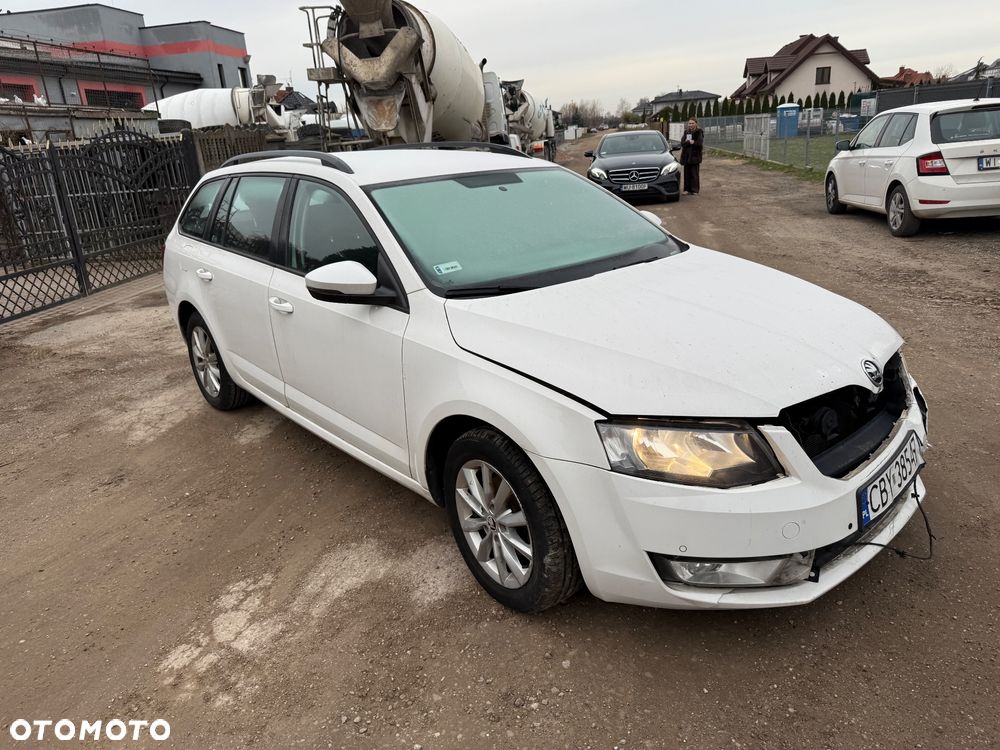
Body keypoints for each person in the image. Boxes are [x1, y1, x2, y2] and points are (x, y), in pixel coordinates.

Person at [678, 117, 704, 195]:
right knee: (687, 174)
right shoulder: (686, 132)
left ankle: (695, 190)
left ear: (696, 124)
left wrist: (693, 142)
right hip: (686, 156)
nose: (691, 125)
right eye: (690, 123)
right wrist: (689, 142)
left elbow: (699, 143)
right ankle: (687, 189)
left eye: (692, 123)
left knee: (694, 174)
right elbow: (682, 143)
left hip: (695, 156)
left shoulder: (699, 132)